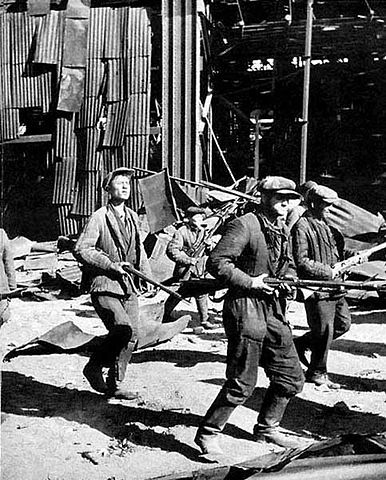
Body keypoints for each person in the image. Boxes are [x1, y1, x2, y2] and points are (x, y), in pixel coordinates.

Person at [194, 176, 310, 456]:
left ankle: (268, 428)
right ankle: (208, 433)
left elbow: (289, 264)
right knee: (242, 381)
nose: (286, 202)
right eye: (279, 196)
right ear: (264, 198)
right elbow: (218, 262)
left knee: (291, 376)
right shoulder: (245, 224)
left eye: (290, 197)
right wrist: (250, 281)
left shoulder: (282, 227)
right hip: (245, 307)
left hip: (272, 308)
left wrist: (289, 281)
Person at [74, 167, 153, 399]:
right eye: (119, 182)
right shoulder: (99, 216)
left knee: (133, 336)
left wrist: (145, 276)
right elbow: (81, 249)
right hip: (104, 284)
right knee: (122, 328)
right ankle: (93, 366)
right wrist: (110, 265)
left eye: (128, 182)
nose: (125, 186)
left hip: (128, 286)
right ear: (108, 189)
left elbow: (140, 251)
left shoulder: (133, 218)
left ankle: (115, 383)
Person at [291, 185, 351, 389]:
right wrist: (328, 272)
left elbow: (336, 252)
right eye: (327, 205)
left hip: (335, 287)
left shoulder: (328, 225)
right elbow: (301, 260)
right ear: (314, 203)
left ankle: (301, 344)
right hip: (317, 290)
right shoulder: (302, 227)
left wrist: (352, 260)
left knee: (343, 325)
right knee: (324, 331)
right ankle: (317, 372)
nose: (330, 209)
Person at [165, 206, 216, 330]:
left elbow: (211, 251)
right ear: (188, 218)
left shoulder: (204, 232)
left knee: (201, 293)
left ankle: (204, 319)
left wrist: (210, 246)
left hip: (198, 270)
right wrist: (188, 260)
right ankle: (164, 315)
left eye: (201, 216)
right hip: (185, 270)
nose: (199, 219)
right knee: (179, 292)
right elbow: (172, 250)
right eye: (196, 216)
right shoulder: (181, 232)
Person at [0, 228, 16, 328]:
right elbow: (8, 261)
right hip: (1, 289)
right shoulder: (1, 234)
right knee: (3, 315)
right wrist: (12, 285)